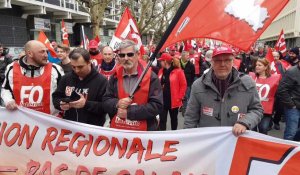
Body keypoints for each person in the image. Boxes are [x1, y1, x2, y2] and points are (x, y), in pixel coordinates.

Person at [183, 46, 263, 136]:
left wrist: (244, 122)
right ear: (212, 62)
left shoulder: (247, 83)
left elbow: (257, 110)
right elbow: (190, 118)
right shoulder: (198, 85)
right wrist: (188, 142)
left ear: (233, 62)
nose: (222, 64)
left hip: (237, 142)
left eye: (227, 60)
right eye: (218, 60)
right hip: (208, 143)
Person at [103, 39, 163, 131]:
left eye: (130, 54)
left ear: (138, 55)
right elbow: (106, 100)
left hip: (145, 133)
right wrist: (117, 103)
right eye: (122, 55)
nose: (126, 58)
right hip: (120, 132)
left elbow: (157, 105)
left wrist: (129, 112)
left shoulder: (151, 76)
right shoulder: (114, 76)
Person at [1, 40, 64, 115]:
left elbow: (63, 93)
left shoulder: (55, 69)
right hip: (24, 121)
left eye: (46, 52)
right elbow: (5, 89)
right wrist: (8, 100)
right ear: (30, 53)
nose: (46, 55)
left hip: (49, 121)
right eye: (42, 52)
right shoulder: (12, 68)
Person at [52, 48, 108, 126]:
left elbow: (105, 107)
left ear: (89, 62)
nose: (77, 70)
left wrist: (86, 104)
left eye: (80, 67)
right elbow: (56, 97)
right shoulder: (66, 78)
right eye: (73, 67)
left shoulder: (102, 81)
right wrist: (61, 104)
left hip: (92, 130)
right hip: (69, 128)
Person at [249, 58, 281, 135]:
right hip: (252, 108)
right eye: (256, 65)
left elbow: (277, 94)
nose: (257, 67)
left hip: (266, 110)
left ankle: (261, 145)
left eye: (259, 65)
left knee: (263, 128)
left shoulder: (274, 79)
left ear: (266, 67)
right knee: (252, 129)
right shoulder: (251, 77)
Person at [158, 53, 187, 130]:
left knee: (174, 120)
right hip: (162, 100)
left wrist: (180, 97)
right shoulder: (161, 71)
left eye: (161, 61)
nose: (159, 62)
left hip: (173, 100)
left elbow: (183, 85)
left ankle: (173, 135)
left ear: (165, 61)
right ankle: (162, 136)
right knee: (162, 120)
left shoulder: (178, 71)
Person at [277, 55, 300, 140]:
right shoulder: (292, 71)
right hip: (293, 108)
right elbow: (282, 90)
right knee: (291, 133)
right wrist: (291, 105)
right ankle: (286, 151)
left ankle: (295, 149)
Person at [180, 50, 195, 115]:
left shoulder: (191, 65)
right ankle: (181, 106)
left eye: (189, 55)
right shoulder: (178, 63)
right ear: (183, 56)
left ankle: (185, 109)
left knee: (186, 97)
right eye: (187, 55)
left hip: (187, 84)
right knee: (180, 96)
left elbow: (193, 75)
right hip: (179, 84)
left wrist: (190, 83)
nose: (188, 57)